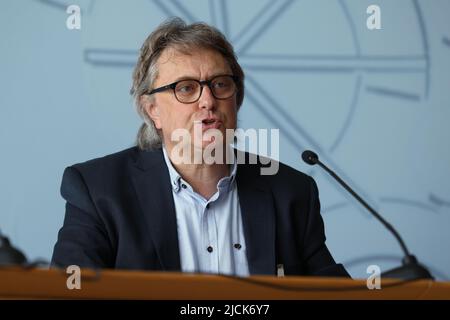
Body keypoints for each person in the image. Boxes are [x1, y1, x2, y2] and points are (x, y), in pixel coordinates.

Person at [51, 17, 349, 278]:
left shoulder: (291, 192)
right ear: (152, 109)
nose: (208, 101)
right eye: (186, 88)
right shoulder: (98, 191)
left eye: (220, 84)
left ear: (237, 98)